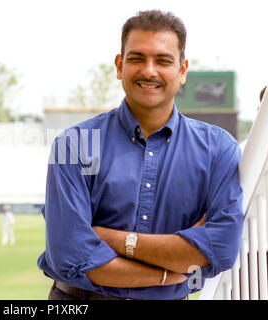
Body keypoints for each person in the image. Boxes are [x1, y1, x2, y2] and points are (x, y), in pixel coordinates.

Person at [37, 10, 244, 300]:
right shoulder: (74, 144)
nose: (149, 70)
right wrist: (166, 275)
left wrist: (113, 239)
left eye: (163, 60)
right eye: (137, 58)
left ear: (182, 70)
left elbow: (219, 251)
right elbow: (71, 257)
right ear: (120, 65)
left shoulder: (218, 148)